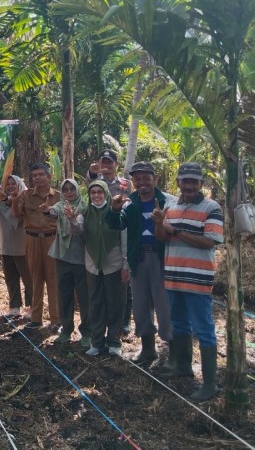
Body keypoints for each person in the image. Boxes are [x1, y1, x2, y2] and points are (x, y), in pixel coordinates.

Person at [152, 162, 224, 401]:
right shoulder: (171, 205)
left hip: (197, 278)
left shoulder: (211, 208)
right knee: (179, 323)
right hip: (173, 276)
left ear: (201, 183)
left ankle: (210, 384)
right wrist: (159, 223)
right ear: (179, 183)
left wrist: (176, 231)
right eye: (185, 181)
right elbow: (162, 238)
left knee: (204, 329)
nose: (190, 186)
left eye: (194, 181)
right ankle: (183, 367)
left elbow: (210, 241)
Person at [107, 161, 175, 365]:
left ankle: (173, 351)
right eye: (137, 179)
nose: (142, 182)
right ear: (133, 182)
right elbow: (116, 225)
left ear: (155, 179)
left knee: (164, 306)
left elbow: (175, 231)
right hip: (139, 259)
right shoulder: (131, 203)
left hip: (161, 259)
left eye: (146, 178)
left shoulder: (168, 201)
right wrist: (114, 210)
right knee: (140, 305)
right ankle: (148, 349)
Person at [72, 180, 128, 356]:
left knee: (115, 303)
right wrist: (71, 219)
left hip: (114, 264)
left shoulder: (116, 211)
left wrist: (126, 264)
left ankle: (114, 342)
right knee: (95, 303)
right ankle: (97, 342)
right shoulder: (85, 212)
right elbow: (78, 230)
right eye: (93, 192)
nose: (96, 195)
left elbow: (124, 239)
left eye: (99, 192)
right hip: (92, 265)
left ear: (106, 193)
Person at [88, 149, 134, 334]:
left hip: (120, 228)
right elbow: (89, 188)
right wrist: (92, 172)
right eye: (103, 162)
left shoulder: (124, 183)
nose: (106, 165)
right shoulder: (95, 180)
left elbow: (130, 202)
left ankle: (124, 321)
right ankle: (104, 322)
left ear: (116, 164)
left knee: (123, 284)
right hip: (99, 231)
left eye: (109, 162)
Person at [13, 163, 61, 329]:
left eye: (41, 174)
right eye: (35, 176)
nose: (38, 178)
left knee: (53, 279)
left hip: (52, 240)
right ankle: (36, 318)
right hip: (32, 240)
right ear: (31, 179)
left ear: (49, 177)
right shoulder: (25, 196)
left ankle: (56, 319)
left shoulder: (58, 196)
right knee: (35, 278)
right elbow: (17, 214)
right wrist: (12, 199)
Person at [47, 179, 91, 346]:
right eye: (65, 190)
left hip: (81, 258)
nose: (69, 192)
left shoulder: (86, 207)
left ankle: (87, 332)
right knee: (64, 294)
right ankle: (66, 329)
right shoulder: (60, 206)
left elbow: (81, 228)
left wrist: (73, 217)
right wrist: (47, 211)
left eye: (72, 189)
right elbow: (54, 212)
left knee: (84, 296)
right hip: (63, 256)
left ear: (77, 190)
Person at [0, 175, 32, 317]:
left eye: (13, 184)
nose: (10, 186)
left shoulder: (26, 197)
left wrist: (7, 199)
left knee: (28, 277)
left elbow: (19, 214)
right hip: (6, 243)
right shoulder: (1, 201)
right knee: (11, 277)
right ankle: (14, 306)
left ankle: (32, 306)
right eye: (7, 184)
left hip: (22, 245)